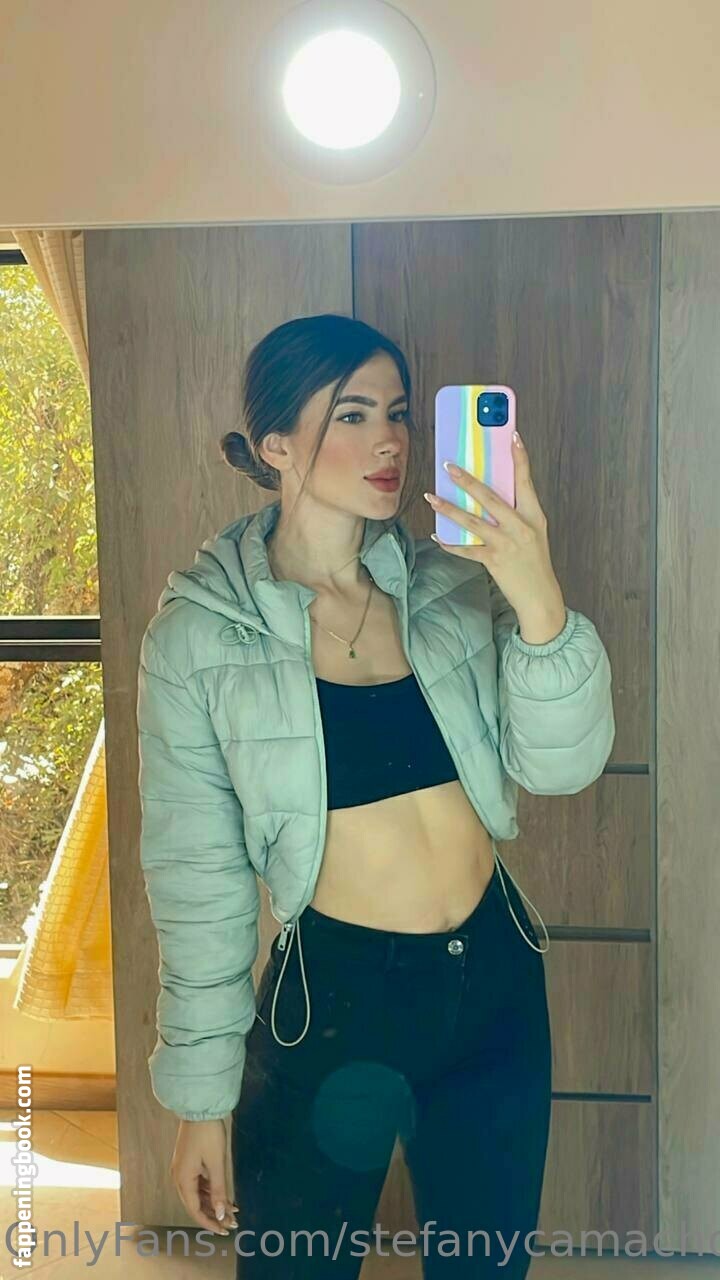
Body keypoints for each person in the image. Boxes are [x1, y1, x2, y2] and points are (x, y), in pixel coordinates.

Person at [136, 313, 616, 1277]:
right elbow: (199, 884)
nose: (389, 440)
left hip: (493, 986)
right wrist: (201, 1102)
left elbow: (562, 767)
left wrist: (535, 590)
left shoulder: (446, 585)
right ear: (275, 443)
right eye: (351, 414)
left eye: (398, 412)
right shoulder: (199, 637)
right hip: (333, 1005)